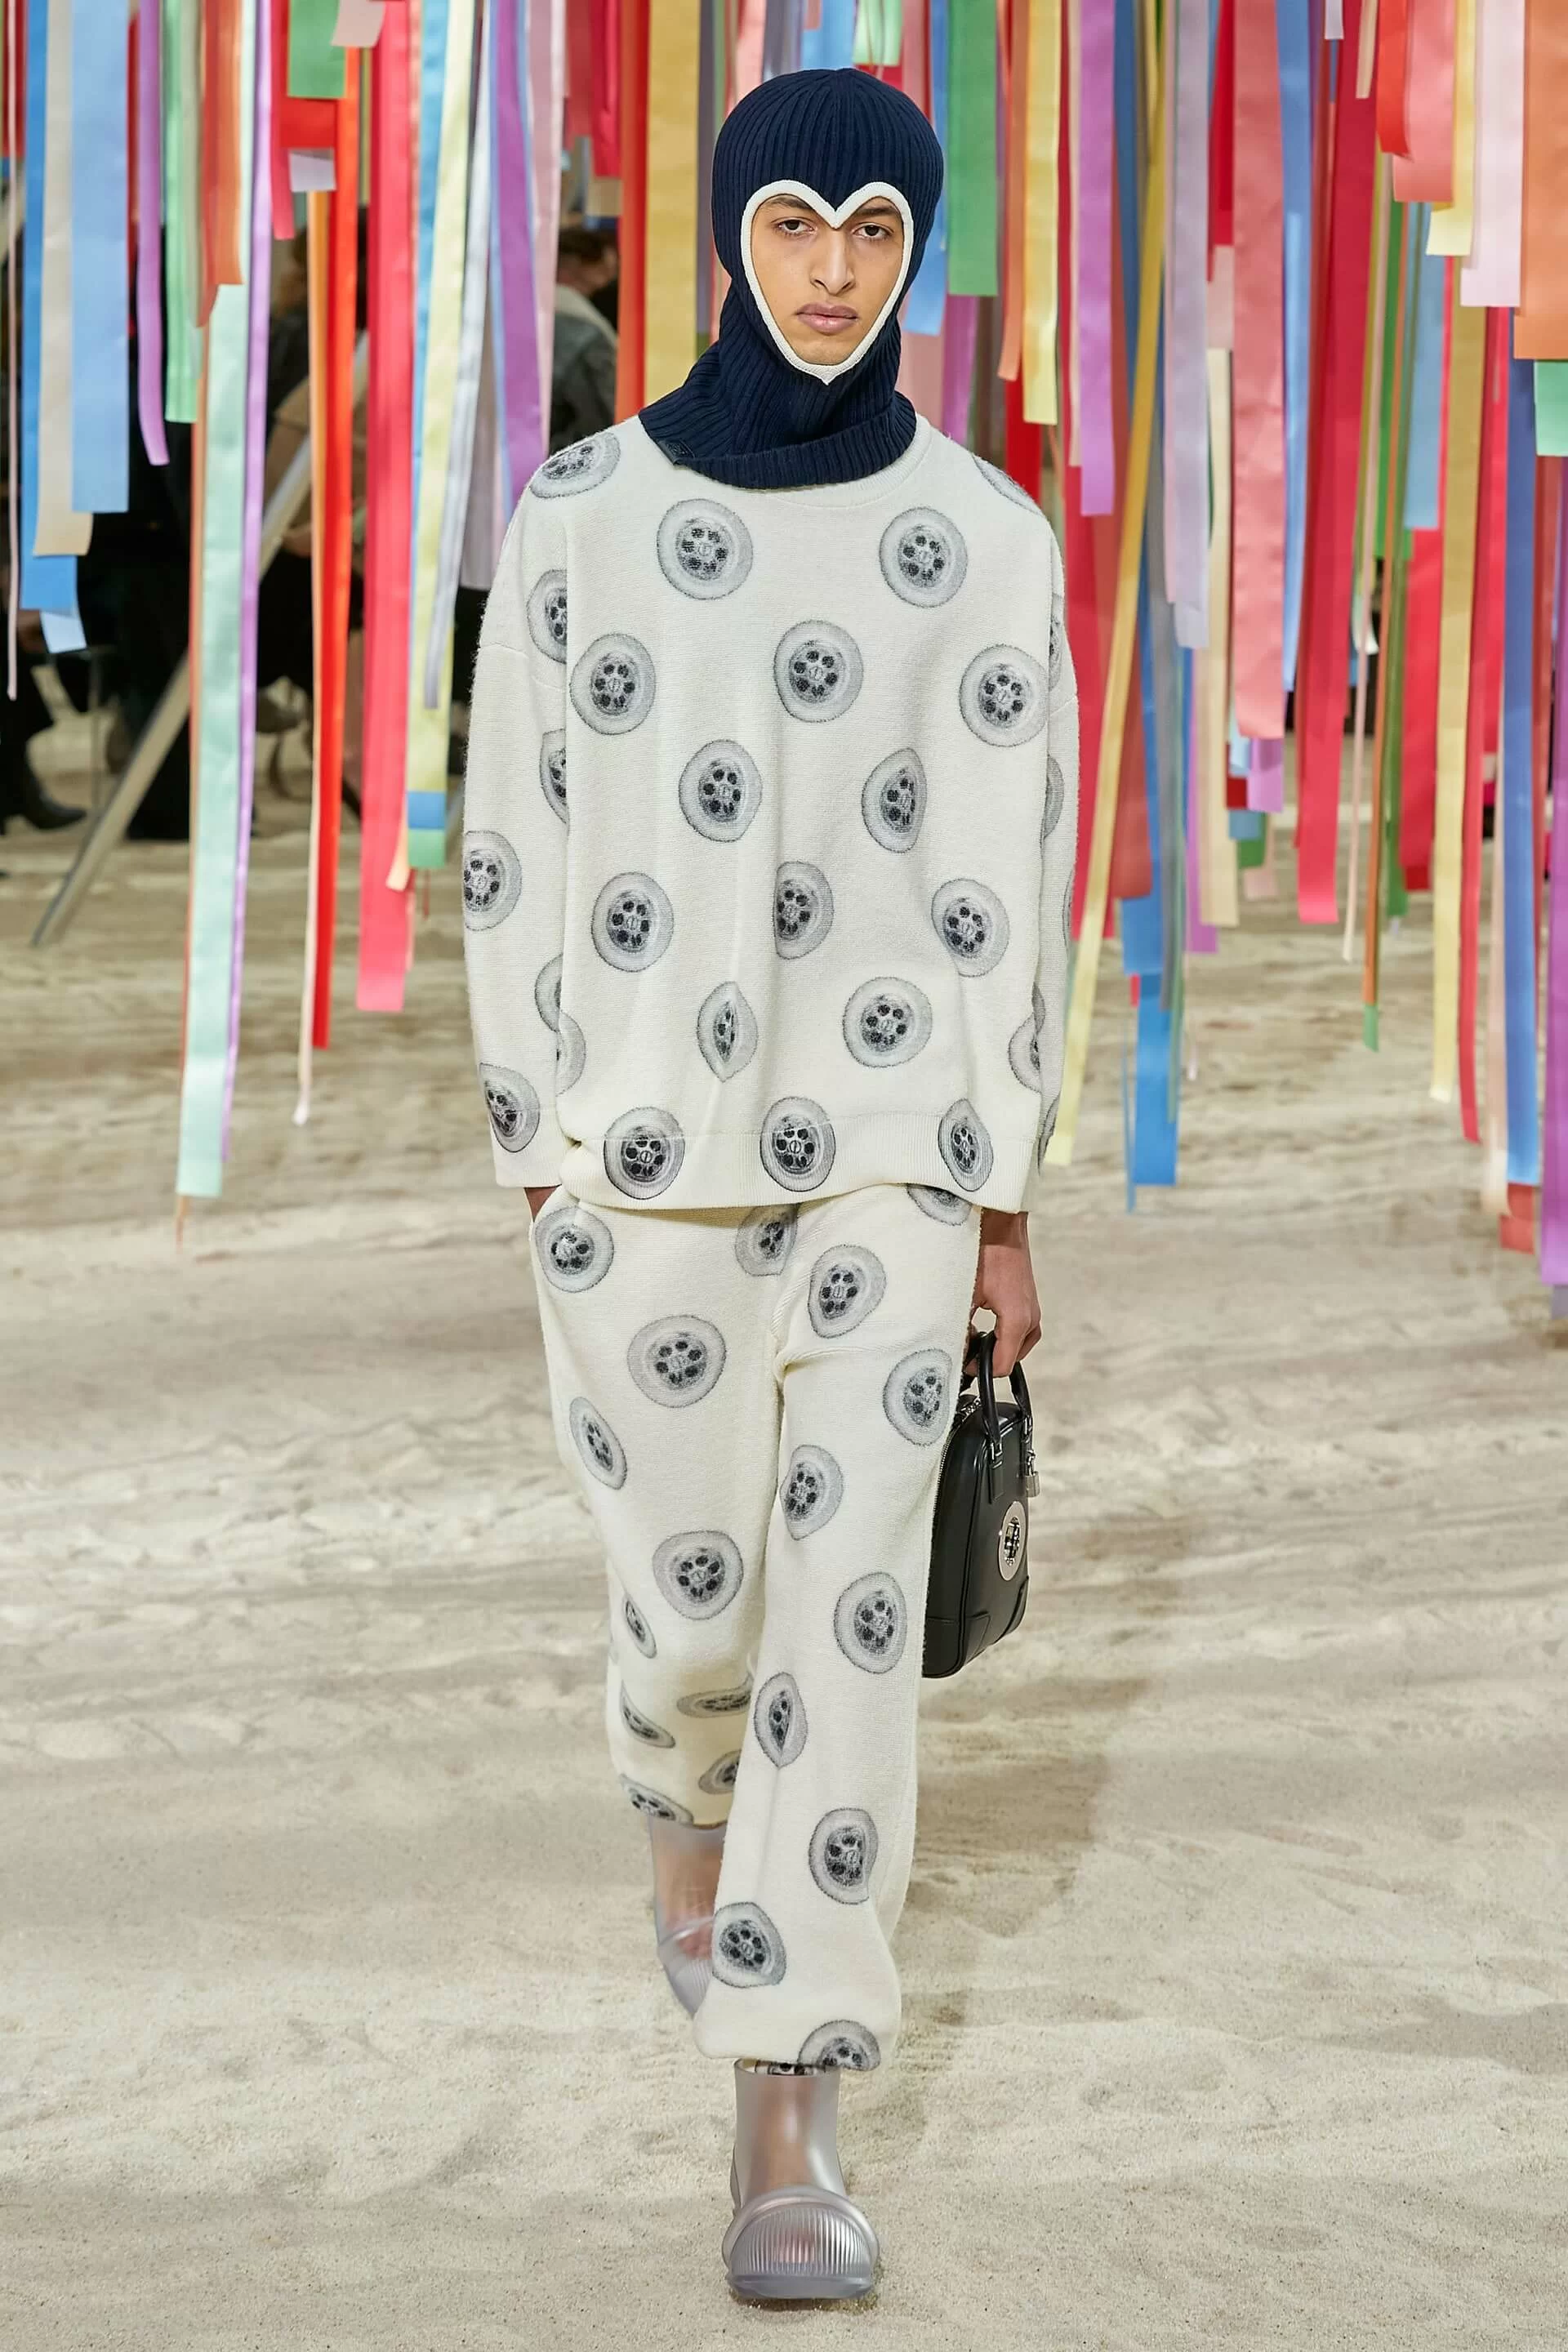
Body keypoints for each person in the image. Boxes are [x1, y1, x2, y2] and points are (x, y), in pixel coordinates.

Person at [461, 69, 1077, 2303]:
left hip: (894, 1156)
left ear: (920, 248)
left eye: (875, 228)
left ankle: (787, 2100)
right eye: (794, 221)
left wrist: (1000, 1201)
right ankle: (674, 1798)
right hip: (638, 1156)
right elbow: (510, 829)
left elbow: (1023, 878)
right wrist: (541, 1139)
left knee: (849, 1621)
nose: (832, 268)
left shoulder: (981, 541)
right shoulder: (583, 514)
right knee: (703, 1605)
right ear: (727, 234)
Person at [550, 225, 619, 452]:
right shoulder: (586, 330)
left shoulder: (523, 310)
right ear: (574, 264)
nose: (608, 278)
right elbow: (601, 418)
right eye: (604, 269)